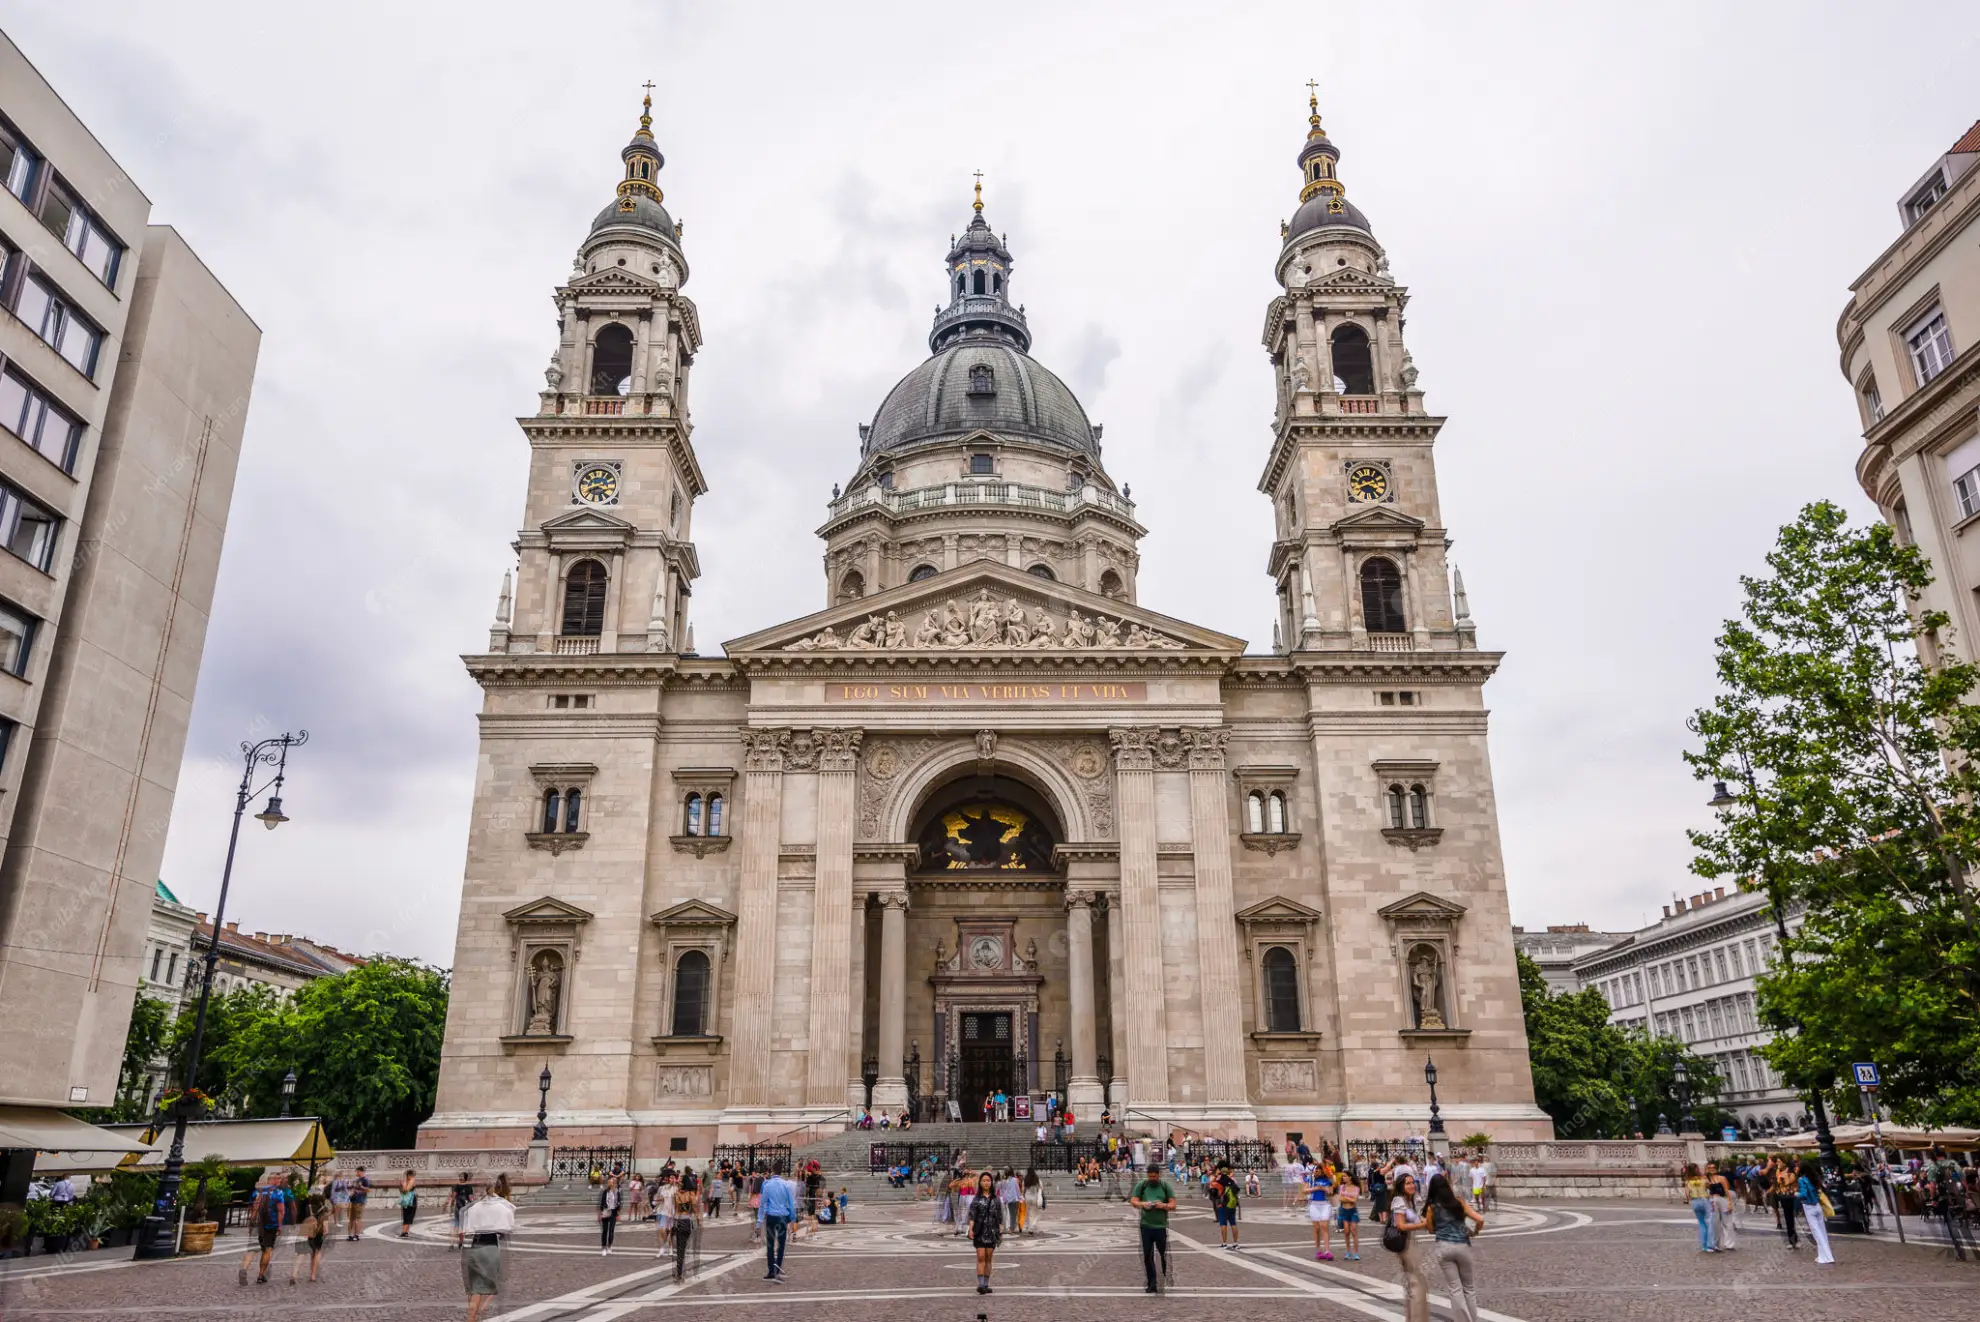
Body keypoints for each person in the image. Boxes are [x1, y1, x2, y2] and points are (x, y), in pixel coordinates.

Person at [461, 1174, 517, 1322]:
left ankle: (474, 1316)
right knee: (481, 1288)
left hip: (474, 1247)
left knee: (474, 1287)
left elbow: (466, 1225)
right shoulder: (504, 1206)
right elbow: (508, 1228)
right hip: (490, 1247)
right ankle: (472, 1317)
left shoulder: (475, 1206)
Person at [1385, 1172, 1431, 1322]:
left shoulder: (1408, 1201)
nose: (1412, 1186)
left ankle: (1414, 1318)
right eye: (1408, 1183)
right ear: (1401, 1186)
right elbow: (1401, 1225)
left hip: (1410, 1240)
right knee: (1416, 1282)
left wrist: (1424, 1221)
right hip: (1405, 1243)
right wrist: (1421, 1225)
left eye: (1412, 1183)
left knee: (1415, 1281)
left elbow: (1413, 1220)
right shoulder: (1399, 1200)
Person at [239, 1174, 294, 1286]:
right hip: (270, 1225)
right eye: (278, 1179)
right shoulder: (278, 1193)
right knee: (267, 1249)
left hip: (257, 1224)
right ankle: (261, 1275)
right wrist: (279, 1226)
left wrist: (251, 1223)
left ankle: (244, 1269)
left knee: (251, 1249)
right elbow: (281, 1211)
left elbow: (253, 1208)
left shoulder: (258, 1192)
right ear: (272, 1181)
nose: (280, 1181)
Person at [1131, 1162, 1176, 1294]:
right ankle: (1152, 1283)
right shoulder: (1142, 1185)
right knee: (1147, 1255)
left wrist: (1163, 1205)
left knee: (1162, 1254)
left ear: (1158, 1175)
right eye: (1150, 1176)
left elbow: (1173, 1204)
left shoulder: (1165, 1186)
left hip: (1160, 1226)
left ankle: (1163, 1279)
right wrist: (1143, 1204)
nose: (1152, 1179)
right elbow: (1133, 1201)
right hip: (1146, 1226)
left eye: (1154, 1176)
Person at [758, 1164, 798, 1281]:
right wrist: (792, 1219)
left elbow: (762, 1204)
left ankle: (771, 1270)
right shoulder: (786, 1185)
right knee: (781, 1245)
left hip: (771, 1216)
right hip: (782, 1217)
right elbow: (791, 1203)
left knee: (770, 1244)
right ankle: (777, 1268)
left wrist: (759, 1222)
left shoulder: (767, 1185)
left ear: (772, 1171)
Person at [967, 1170, 1003, 1295]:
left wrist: (1000, 1232)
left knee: (988, 1258)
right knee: (981, 1256)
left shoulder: (996, 1199)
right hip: (980, 1230)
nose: (986, 1183)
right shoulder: (976, 1199)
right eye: (984, 1181)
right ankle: (981, 1284)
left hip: (992, 1231)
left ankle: (986, 1284)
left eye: (988, 1180)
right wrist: (970, 1229)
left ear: (991, 1182)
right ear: (980, 1183)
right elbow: (972, 1216)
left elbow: (1000, 1217)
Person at [1795, 1160, 1834, 1265]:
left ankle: (1827, 1257)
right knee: (1822, 1232)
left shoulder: (1801, 1179)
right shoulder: (1813, 1178)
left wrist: (1796, 1194)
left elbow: (1803, 1194)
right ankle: (1824, 1255)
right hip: (1817, 1206)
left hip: (1809, 1207)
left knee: (1817, 1233)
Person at [287, 1188, 329, 1286]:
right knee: (316, 1253)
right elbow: (326, 1228)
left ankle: (294, 1274)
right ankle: (313, 1275)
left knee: (301, 1254)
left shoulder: (307, 1207)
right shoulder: (324, 1209)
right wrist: (325, 1233)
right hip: (317, 1233)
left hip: (306, 1232)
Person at [670, 1172, 699, 1280]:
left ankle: (679, 1271)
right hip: (687, 1222)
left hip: (679, 1222)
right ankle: (681, 1271)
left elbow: (676, 1211)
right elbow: (695, 1210)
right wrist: (698, 1221)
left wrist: (673, 1223)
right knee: (685, 1246)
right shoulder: (691, 1194)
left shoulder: (677, 1194)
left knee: (679, 1249)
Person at [1307, 1160, 1336, 1261]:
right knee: (1316, 1228)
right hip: (1314, 1204)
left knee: (1324, 1226)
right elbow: (1303, 1190)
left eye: (1320, 1171)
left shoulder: (1327, 1180)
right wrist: (1315, 1188)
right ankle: (1318, 1250)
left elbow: (1331, 1192)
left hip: (1324, 1204)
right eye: (1317, 1171)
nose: (1318, 1172)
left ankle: (1327, 1251)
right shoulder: (1310, 1179)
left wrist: (1324, 1188)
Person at [1207, 1162, 1241, 1250]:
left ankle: (1224, 1243)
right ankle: (1236, 1243)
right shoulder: (1232, 1181)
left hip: (1222, 1204)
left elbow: (1211, 1186)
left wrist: (1216, 1176)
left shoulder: (1219, 1181)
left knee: (1223, 1224)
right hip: (1232, 1205)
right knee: (1233, 1223)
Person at [1683, 1164, 1715, 1253]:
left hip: (1695, 1201)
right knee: (1709, 1222)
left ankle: (1704, 1246)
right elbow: (1709, 1187)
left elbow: (1687, 1194)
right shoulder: (1703, 1178)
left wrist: (1691, 1201)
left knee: (1702, 1224)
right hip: (1704, 1199)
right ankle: (1710, 1244)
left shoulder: (1688, 1180)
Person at [1706, 1162, 1737, 1251]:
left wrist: (1729, 1203)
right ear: (1707, 1169)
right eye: (1710, 1168)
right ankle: (1716, 1244)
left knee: (1727, 1222)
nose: (1712, 1169)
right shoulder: (1707, 1180)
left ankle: (1729, 1244)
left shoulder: (1722, 1178)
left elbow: (1727, 1191)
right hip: (1713, 1200)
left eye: (1713, 1167)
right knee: (1715, 1223)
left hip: (1723, 1199)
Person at [1771, 1159, 1800, 1250]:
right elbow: (1777, 1183)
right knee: (1787, 1219)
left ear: (1785, 1163)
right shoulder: (1778, 1171)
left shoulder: (1791, 1173)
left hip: (1789, 1196)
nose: (1777, 1163)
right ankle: (1792, 1239)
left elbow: (1788, 1183)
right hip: (1781, 1195)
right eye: (1777, 1162)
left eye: (1779, 1161)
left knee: (1789, 1219)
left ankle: (1793, 1240)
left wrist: (1784, 1176)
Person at [1336, 1167, 1363, 1260]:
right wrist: (1349, 1198)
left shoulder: (1356, 1188)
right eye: (1343, 1176)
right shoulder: (1342, 1187)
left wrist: (1345, 1197)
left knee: (1354, 1231)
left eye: (1345, 1176)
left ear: (1350, 1177)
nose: (1343, 1178)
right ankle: (1348, 1252)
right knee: (1346, 1232)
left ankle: (1356, 1253)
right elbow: (1340, 1199)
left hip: (1352, 1211)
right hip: (1344, 1211)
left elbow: (1354, 1200)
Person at [597, 1171, 621, 1256]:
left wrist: (618, 1214)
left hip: (613, 1212)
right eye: (609, 1182)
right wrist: (600, 1214)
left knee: (611, 1230)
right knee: (605, 1230)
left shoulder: (617, 1192)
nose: (610, 1183)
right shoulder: (605, 1192)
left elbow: (619, 1203)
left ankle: (609, 1246)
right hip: (606, 1211)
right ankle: (603, 1247)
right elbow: (601, 1203)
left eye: (611, 1182)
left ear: (614, 1183)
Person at [451, 1171, 475, 1248]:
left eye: (461, 1176)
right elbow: (471, 1198)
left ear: (464, 1178)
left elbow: (454, 1196)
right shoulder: (469, 1187)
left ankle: (458, 1242)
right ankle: (461, 1242)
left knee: (457, 1224)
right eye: (460, 1176)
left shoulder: (457, 1186)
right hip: (464, 1208)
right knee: (462, 1225)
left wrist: (452, 1204)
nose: (460, 1177)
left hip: (459, 1207)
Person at [347, 1166, 370, 1241]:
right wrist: (351, 1188)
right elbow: (355, 1189)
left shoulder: (365, 1179)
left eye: (357, 1171)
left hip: (360, 1201)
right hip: (353, 1200)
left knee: (358, 1219)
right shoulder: (357, 1180)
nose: (356, 1173)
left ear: (361, 1171)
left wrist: (361, 1187)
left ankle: (356, 1235)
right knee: (351, 1219)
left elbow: (368, 1190)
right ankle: (350, 1235)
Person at [327, 1171, 351, 1237]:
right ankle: (335, 1222)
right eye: (342, 1175)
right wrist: (332, 1198)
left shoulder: (341, 1181)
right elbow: (333, 1190)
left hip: (339, 1198)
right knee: (336, 1211)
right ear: (339, 1175)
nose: (343, 1176)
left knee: (334, 1211)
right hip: (335, 1198)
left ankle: (325, 1218)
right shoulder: (336, 1181)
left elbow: (344, 1190)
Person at [398, 1170, 418, 1238]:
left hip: (410, 1201)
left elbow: (406, 1190)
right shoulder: (407, 1181)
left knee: (408, 1216)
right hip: (407, 1200)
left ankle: (404, 1232)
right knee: (406, 1215)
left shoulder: (412, 1181)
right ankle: (405, 1232)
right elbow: (402, 1191)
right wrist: (401, 1186)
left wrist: (403, 1185)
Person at [1023, 1167, 1043, 1232]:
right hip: (1034, 1197)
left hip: (1027, 1197)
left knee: (1030, 1214)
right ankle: (1033, 1225)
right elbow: (1041, 1188)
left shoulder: (1026, 1179)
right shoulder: (1036, 1179)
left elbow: (1023, 1189)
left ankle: (1030, 1228)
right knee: (1037, 1213)